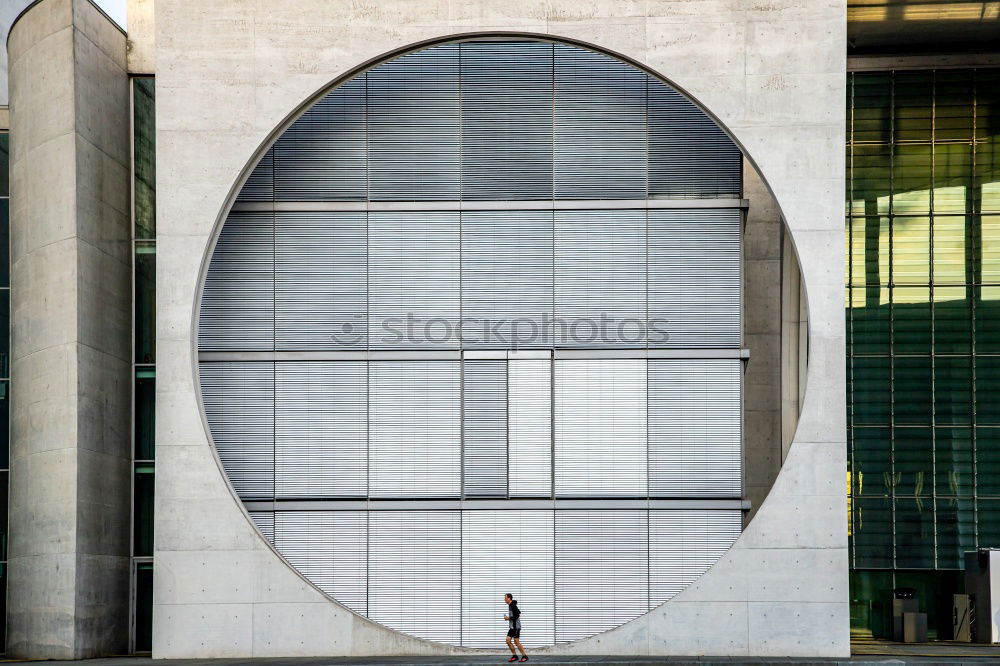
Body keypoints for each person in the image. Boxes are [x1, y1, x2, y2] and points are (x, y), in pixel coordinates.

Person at [503, 593, 527, 662]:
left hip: (516, 627)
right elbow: (519, 612)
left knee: (516, 642)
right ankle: (515, 656)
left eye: (505, 598)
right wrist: (509, 618)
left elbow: (517, 615)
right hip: (512, 627)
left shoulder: (513, 605)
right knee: (508, 640)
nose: (504, 599)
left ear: (509, 598)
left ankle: (524, 656)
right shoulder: (511, 605)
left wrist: (508, 618)